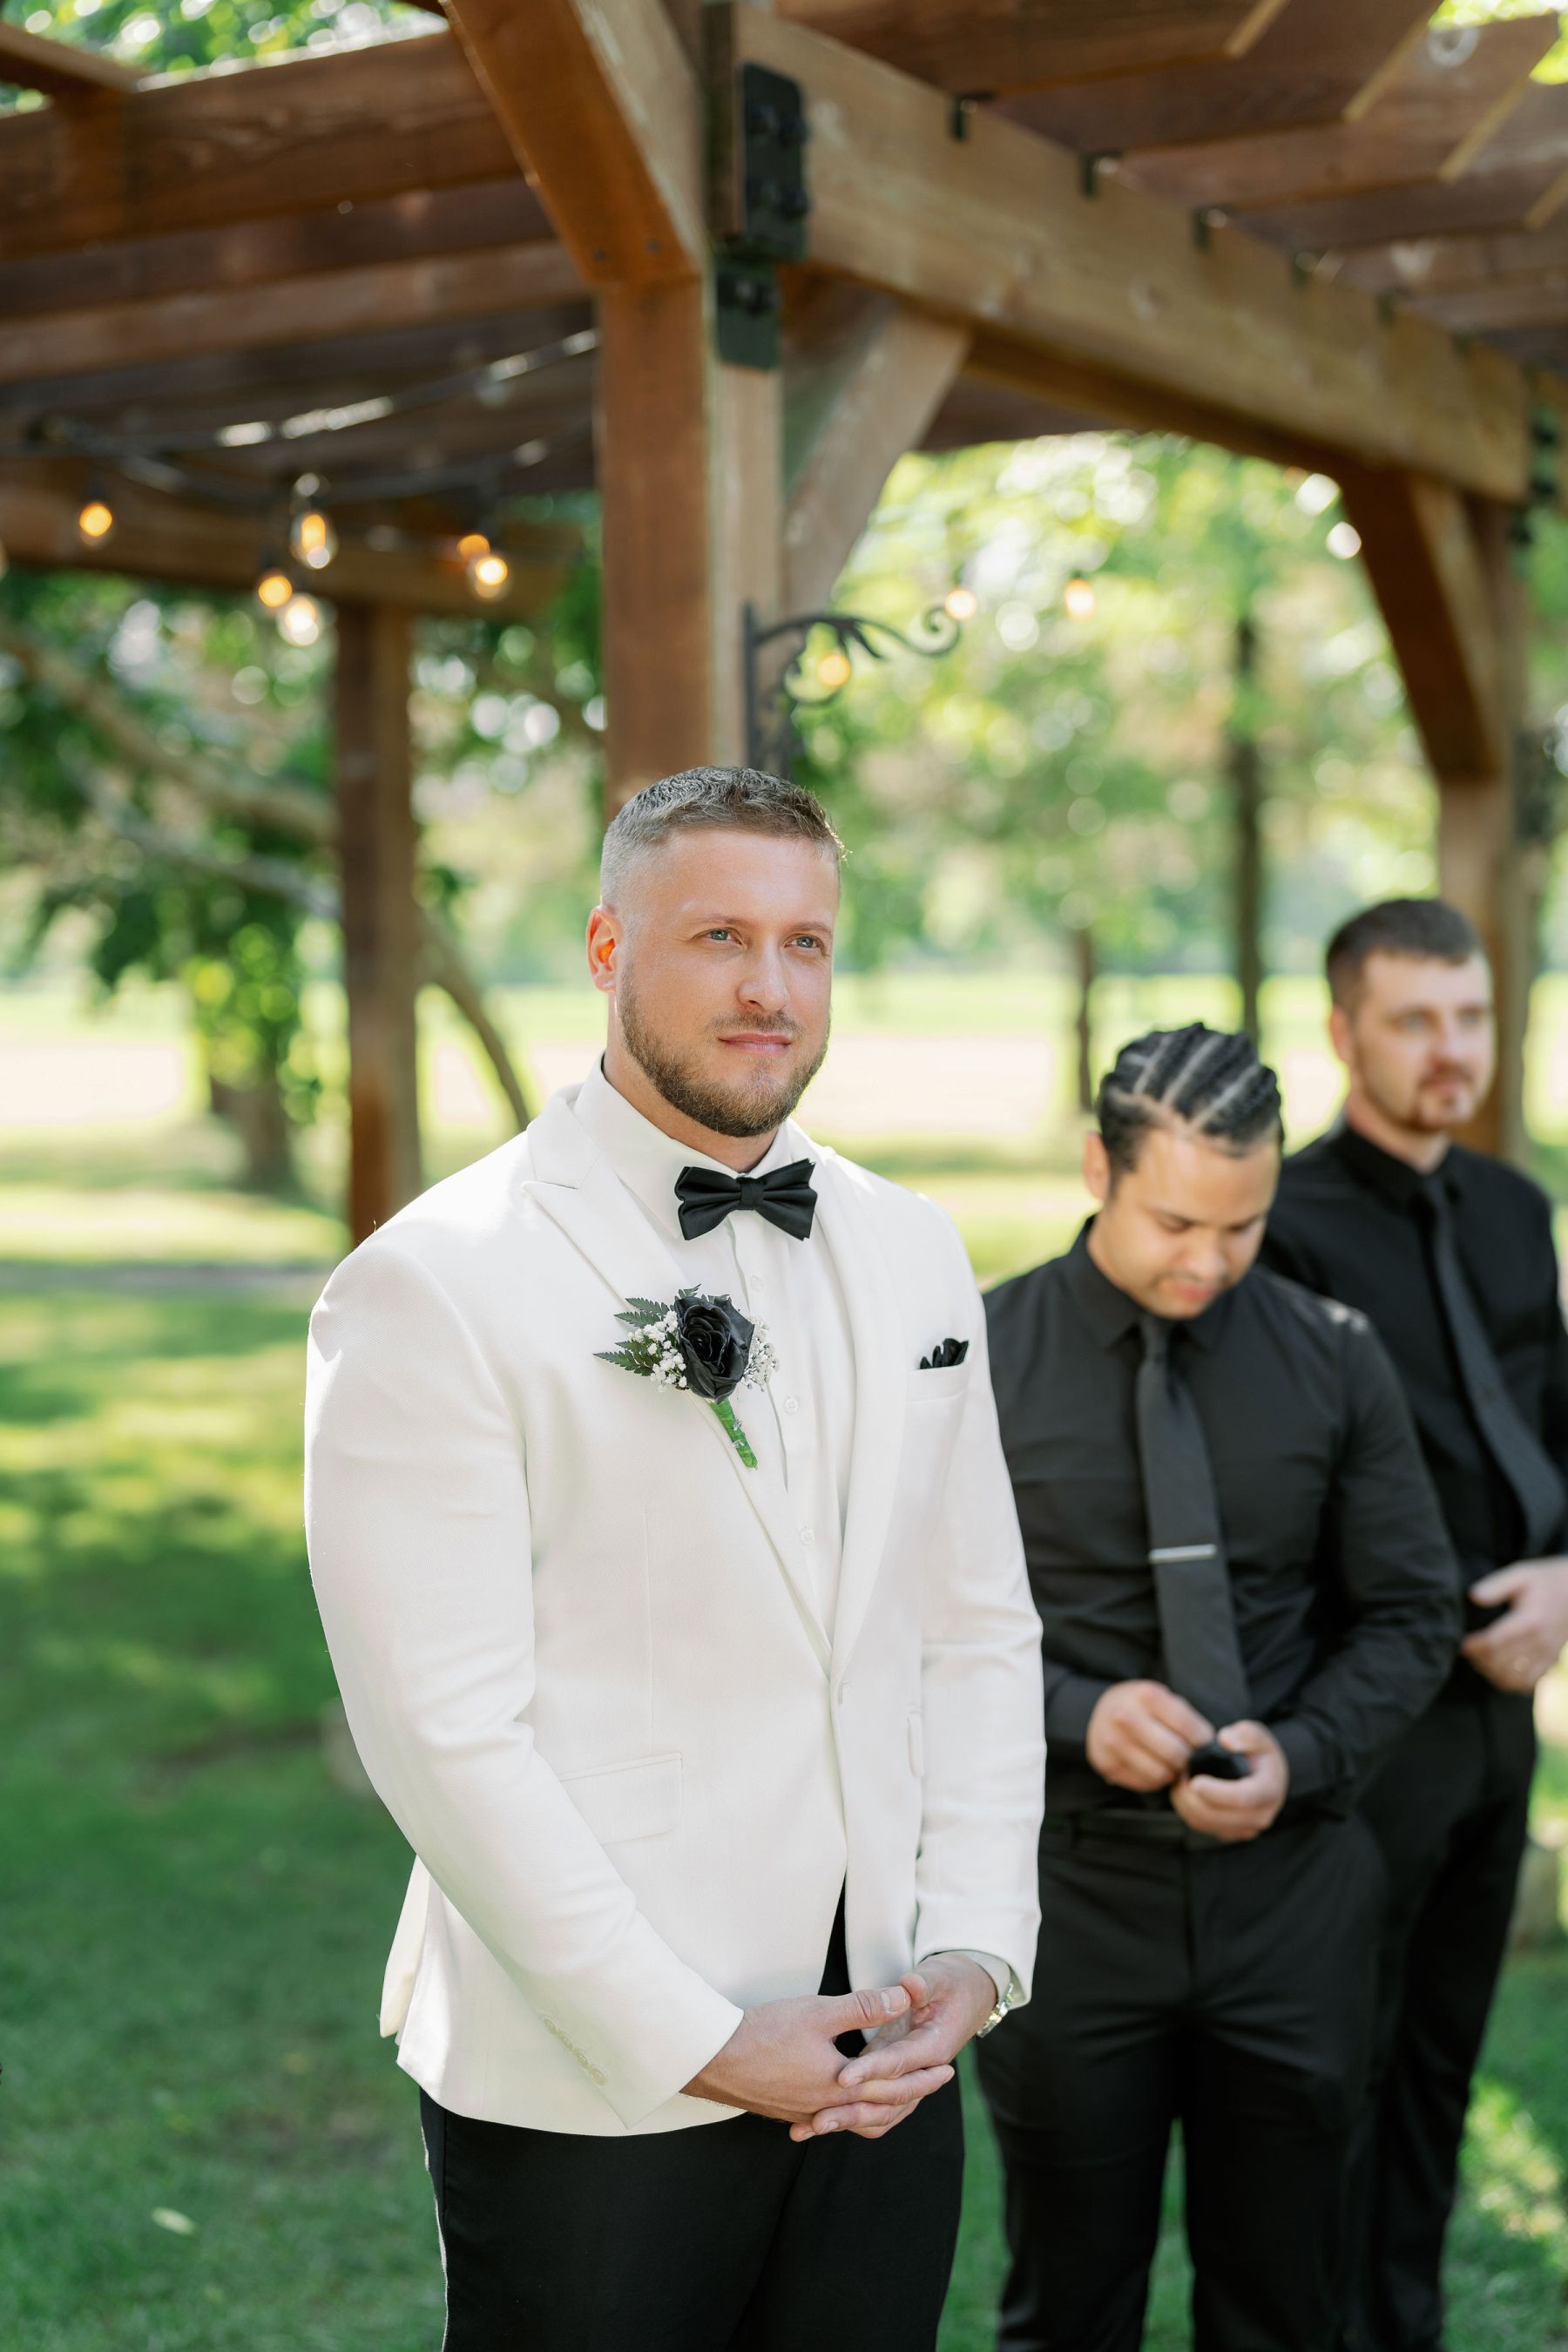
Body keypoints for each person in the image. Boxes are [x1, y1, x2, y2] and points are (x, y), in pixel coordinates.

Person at [303, 765, 1045, 2352]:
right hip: (594, 2078)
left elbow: (975, 1626)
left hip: (889, 2054)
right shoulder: (435, 1282)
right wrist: (698, 2040)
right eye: (719, 935)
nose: (770, 988)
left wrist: (979, 1943)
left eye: (807, 944)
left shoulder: (917, 1246)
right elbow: (444, 1736)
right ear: (602, 947)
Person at [977, 1021, 1460, 2352]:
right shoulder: (973, 1362)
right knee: (1068, 2304)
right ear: (1098, 1167)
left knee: (1285, 2306)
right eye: (1178, 1221)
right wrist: (1081, 1712)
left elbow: (1413, 1610)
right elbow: (909, 1634)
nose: (1209, 1262)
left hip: (1294, 1906)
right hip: (1068, 1900)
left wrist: (1302, 1751)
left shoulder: (1333, 1353)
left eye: (1242, 1227)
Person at [1260, 897, 1568, 2352]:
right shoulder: (1288, 1227)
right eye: (1413, 1022)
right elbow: (1297, 1500)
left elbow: (1551, 1430)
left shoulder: (1515, 1205)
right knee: (1340, 2073)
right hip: (1365, 1721)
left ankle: (1408, 2329)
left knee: (1444, 2061)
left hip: (1504, 1719)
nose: (1451, 1051)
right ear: (1343, 1034)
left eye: (1468, 1016)